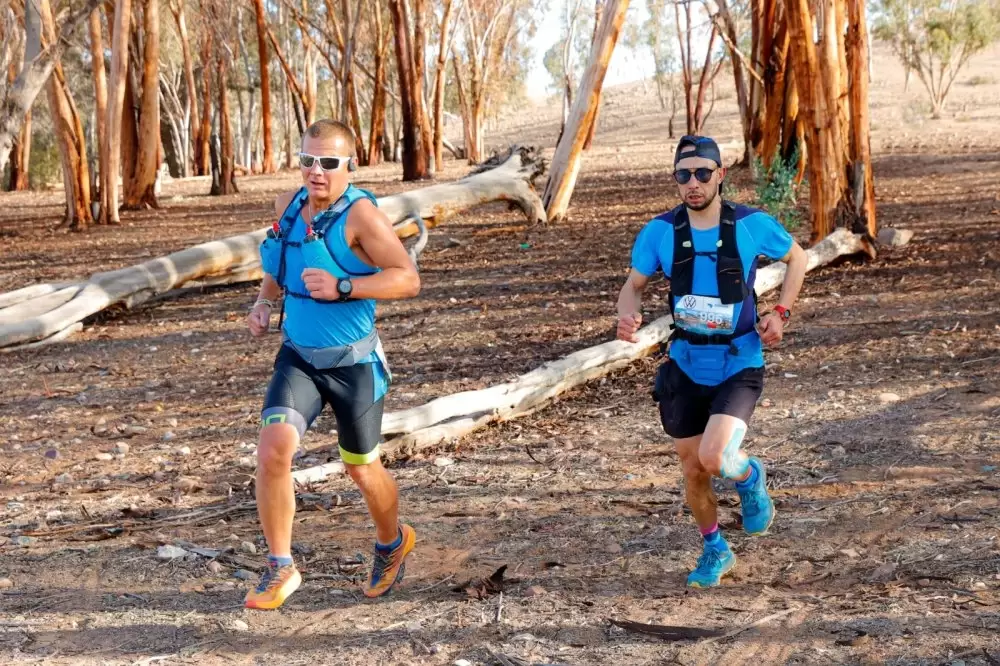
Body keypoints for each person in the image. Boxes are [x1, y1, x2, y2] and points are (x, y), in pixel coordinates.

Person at [616, 135, 808, 588]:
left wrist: (780, 312)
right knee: (693, 468)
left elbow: (797, 257)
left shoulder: (750, 224)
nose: (693, 182)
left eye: (703, 172)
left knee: (717, 457)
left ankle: (750, 473)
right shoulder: (660, 231)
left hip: (738, 359)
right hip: (685, 362)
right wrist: (627, 313)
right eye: (684, 175)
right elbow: (634, 285)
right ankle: (715, 548)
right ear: (676, 180)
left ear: (721, 175)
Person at [245, 119, 420, 609]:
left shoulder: (362, 217)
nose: (315, 172)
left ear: (349, 165)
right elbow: (278, 265)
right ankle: (280, 567)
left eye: (327, 163)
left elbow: (407, 279)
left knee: (360, 467)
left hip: (354, 364)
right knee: (273, 450)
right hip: (298, 357)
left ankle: (392, 542)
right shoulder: (288, 206)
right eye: (307, 160)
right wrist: (262, 302)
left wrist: (347, 286)